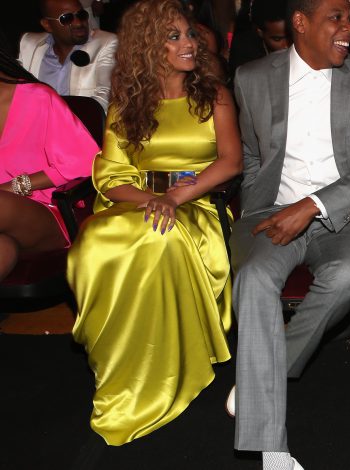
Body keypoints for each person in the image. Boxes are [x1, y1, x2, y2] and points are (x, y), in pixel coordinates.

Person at [229, 0, 350, 466]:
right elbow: (249, 154)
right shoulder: (250, 77)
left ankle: (262, 377)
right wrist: (256, 206)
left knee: (348, 276)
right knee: (254, 279)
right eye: (337, 18)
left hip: (339, 216)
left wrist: (312, 207)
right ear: (300, 23)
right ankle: (271, 449)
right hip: (270, 211)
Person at [67, 0, 242, 445]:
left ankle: (165, 369)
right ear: (148, 47)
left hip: (197, 203)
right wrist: (152, 198)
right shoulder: (127, 104)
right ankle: (119, 365)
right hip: (139, 201)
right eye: (175, 36)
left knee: (158, 237)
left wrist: (175, 196)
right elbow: (110, 175)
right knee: (94, 242)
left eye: (189, 34)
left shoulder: (213, 96)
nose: (190, 43)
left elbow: (230, 162)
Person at [0, 48, 97, 281]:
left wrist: (15, 186)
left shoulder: (37, 97)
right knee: (4, 249)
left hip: (48, 212)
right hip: (8, 230)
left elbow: (85, 161)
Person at [18, 0, 118, 111]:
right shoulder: (29, 44)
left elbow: (105, 98)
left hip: (81, 126)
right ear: (47, 25)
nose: (79, 23)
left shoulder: (105, 43)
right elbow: (15, 93)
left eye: (81, 15)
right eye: (66, 18)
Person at [229, 0, 290, 74]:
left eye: (291, 36)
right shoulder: (244, 50)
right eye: (277, 39)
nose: (287, 45)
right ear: (260, 32)